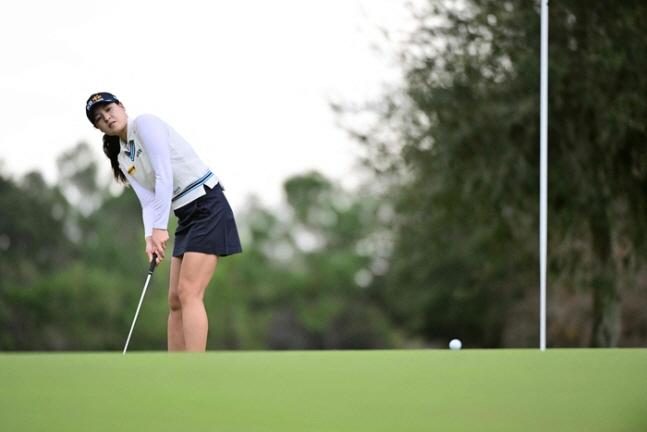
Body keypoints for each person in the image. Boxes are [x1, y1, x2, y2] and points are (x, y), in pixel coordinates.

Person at [86, 92, 242, 352]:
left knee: (189, 291)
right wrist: (150, 238)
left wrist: (160, 228)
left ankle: (194, 370)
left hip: (206, 204)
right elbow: (148, 201)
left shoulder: (145, 124)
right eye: (100, 119)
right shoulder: (123, 157)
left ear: (122, 107)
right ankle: (173, 370)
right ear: (98, 127)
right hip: (185, 215)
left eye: (110, 110)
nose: (108, 118)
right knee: (175, 300)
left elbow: (164, 175)